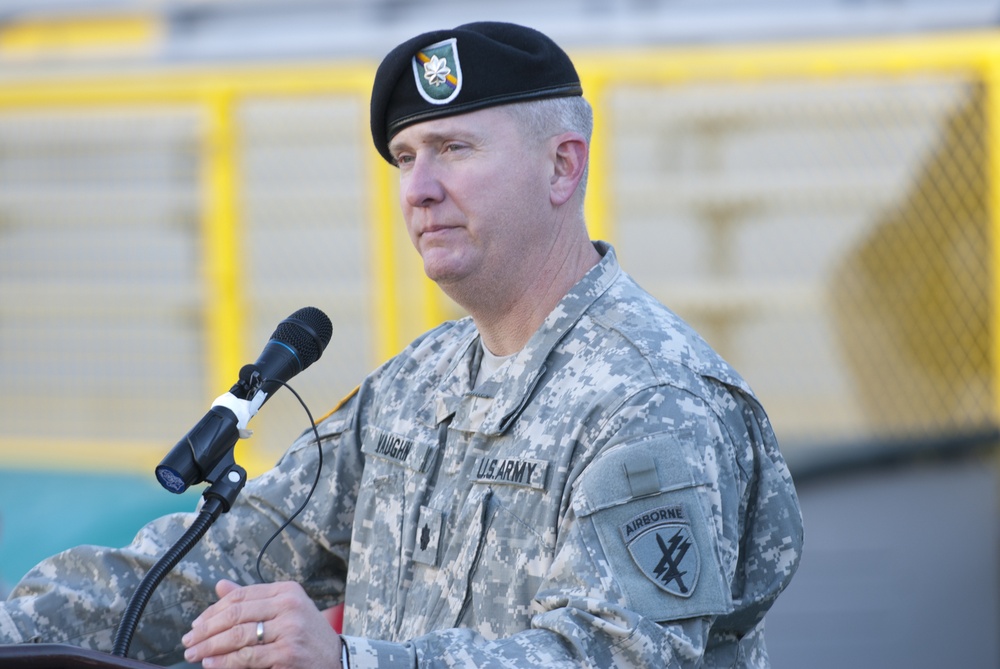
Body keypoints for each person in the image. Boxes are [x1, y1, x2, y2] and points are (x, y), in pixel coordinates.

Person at [0, 21, 803, 669]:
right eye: (407, 157)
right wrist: (17, 627)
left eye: (455, 149)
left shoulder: (652, 396)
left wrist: (348, 661)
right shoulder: (416, 383)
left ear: (563, 167)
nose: (419, 189)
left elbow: (616, 656)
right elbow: (230, 550)